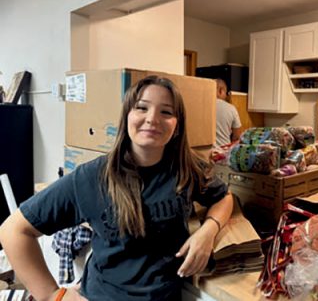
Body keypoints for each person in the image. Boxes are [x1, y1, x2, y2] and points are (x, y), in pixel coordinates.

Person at [0, 76, 234, 300]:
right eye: (142, 108)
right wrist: (52, 295)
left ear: (177, 125)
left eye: (166, 112)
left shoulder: (186, 168)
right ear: (126, 116)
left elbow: (224, 198)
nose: (153, 118)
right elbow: (13, 231)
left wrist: (208, 232)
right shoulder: (92, 177)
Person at [215, 78, 242, 147]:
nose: (226, 96)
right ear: (221, 91)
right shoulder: (231, 108)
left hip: (202, 154)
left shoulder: (201, 106)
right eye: (226, 92)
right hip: (222, 152)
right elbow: (237, 136)